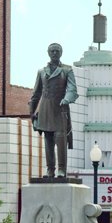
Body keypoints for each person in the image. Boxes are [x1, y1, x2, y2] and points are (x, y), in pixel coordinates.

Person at [29, 43, 78, 178]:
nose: (55, 53)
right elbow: (36, 93)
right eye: (52, 51)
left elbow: (72, 89)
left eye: (57, 51)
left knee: (61, 140)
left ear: (61, 53)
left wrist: (66, 99)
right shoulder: (41, 72)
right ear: (48, 53)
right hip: (45, 110)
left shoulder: (67, 70)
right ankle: (50, 169)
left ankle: (62, 170)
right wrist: (32, 112)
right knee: (48, 140)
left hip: (60, 109)